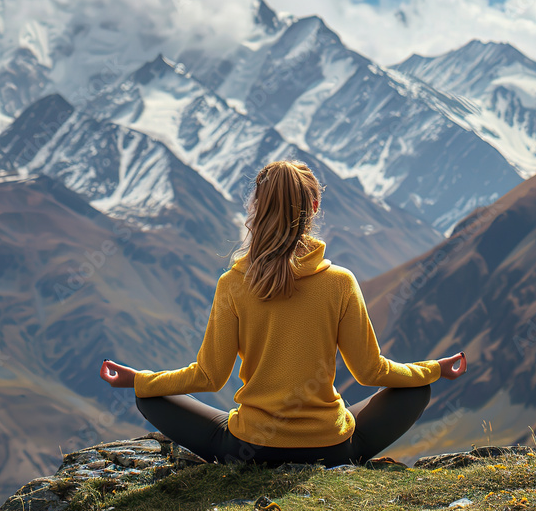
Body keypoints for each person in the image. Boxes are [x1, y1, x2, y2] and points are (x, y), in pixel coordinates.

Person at [99, 160, 468, 466]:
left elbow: (209, 376)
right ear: (314, 208)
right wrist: (433, 369)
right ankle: (342, 450)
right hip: (331, 451)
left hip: (248, 450)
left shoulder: (233, 284)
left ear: (255, 209)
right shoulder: (340, 282)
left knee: (149, 395)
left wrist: (140, 380)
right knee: (415, 391)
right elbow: (372, 371)